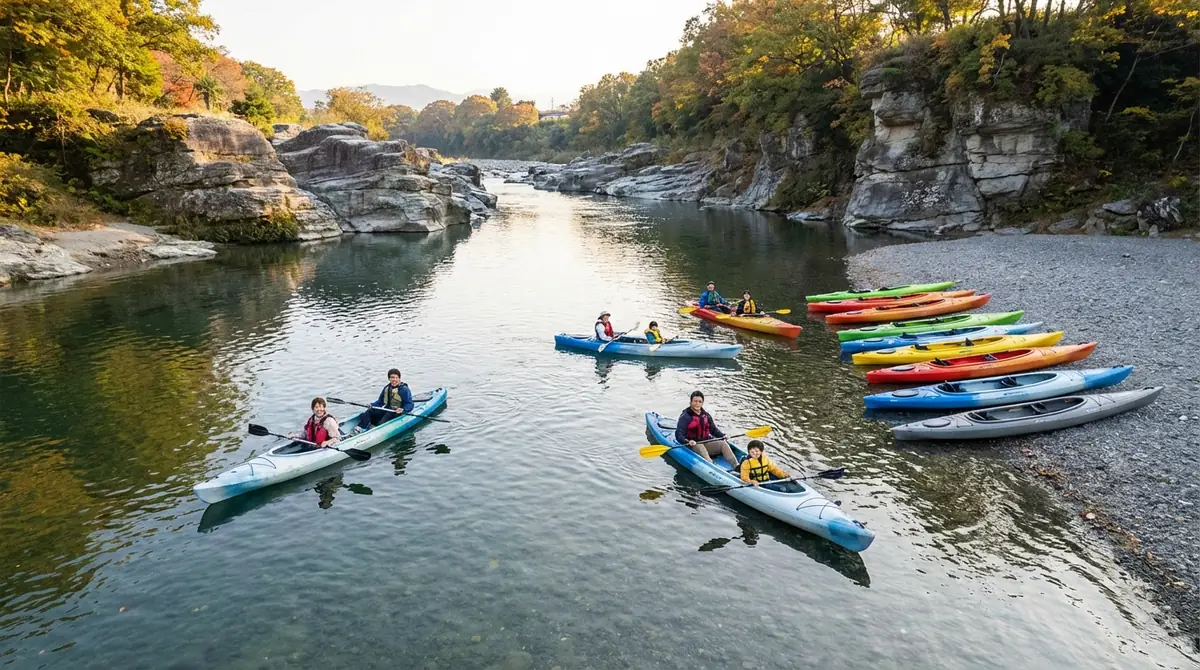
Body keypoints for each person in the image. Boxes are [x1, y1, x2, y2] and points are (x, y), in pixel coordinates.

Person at [675, 390, 739, 470]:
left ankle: (736, 466)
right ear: (690, 402)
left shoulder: (706, 415)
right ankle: (712, 467)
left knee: (723, 443)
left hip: (706, 442)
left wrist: (723, 435)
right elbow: (679, 435)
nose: (697, 404)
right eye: (695, 401)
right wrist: (687, 441)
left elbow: (713, 430)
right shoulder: (685, 416)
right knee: (700, 447)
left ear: (702, 403)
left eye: (700, 402)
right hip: (693, 444)